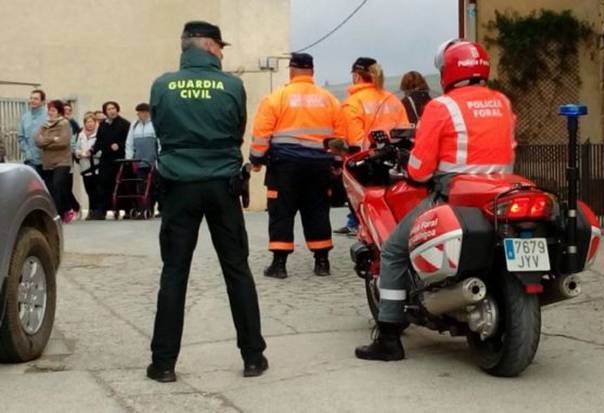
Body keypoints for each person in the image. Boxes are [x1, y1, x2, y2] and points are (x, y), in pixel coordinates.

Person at [354, 40, 517, 361]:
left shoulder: (443, 107)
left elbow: (419, 167)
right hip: (500, 192)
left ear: (448, 71)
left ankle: (388, 336)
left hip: (453, 193)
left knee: (393, 252)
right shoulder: (502, 101)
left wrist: (412, 170)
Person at [147, 21, 267, 383]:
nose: (222, 52)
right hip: (222, 184)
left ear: (187, 47)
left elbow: (160, 126)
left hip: (178, 184)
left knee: (174, 272)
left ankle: (164, 363)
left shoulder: (162, 85)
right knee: (237, 269)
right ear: (211, 47)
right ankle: (252, 357)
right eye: (221, 46)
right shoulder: (232, 85)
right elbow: (237, 129)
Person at [250, 53, 346, 279]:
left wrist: (256, 160)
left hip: (284, 166)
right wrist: (337, 163)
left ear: (291, 71)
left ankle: (279, 265)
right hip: (319, 166)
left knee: (281, 212)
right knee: (317, 211)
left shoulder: (276, 98)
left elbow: (261, 134)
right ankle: (322, 262)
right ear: (312, 72)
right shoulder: (329, 99)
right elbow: (340, 136)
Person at [333, 57, 409, 236]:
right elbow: (404, 133)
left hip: (367, 167)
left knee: (368, 217)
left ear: (357, 76)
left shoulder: (353, 103)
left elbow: (355, 142)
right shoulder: (392, 100)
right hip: (395, 165)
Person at [34, 100, 73, 222]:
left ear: (59, 111)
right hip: (47, 162)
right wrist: (52, 139)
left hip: (62, 160)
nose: (50, 113)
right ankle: (62, 210)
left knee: (58, 185)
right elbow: (37, 141)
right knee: (51, 188)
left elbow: (63, 142)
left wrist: (46, 142)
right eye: (49, 110)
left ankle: (61, 212)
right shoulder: (44, 125)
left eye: (53, 110)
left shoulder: (64, 123)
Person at [90, 101, 130, 219]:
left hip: (120, 160)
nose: (111, 111)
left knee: (122, 185)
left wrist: (119, 145)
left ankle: (127, 210)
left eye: (113, 108)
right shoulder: (103, 125)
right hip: (106, 159)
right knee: (103, 184)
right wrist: (91, 151)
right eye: (109, 109)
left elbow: (129, 141)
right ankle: (102, 210)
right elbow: (99, 141)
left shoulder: (125, 124)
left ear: (117, 109)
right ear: (105, 112)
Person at [125, 102, 158, 216]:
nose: (143, 114)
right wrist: (129, 159)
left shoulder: (154, 124)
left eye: (145, 112)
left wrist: (159, 157)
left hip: (152, 160)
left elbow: (159, 142)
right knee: (141, 185)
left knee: (153, 184)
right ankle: (143, 207)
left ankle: (152, 206)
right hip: (138, 161)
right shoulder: (134, 126)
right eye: (140, 112)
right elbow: (129, 143)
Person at [76, 112, 101, 219]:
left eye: (91, 122)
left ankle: (97, 211)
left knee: (97, 190)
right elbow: (76, 148)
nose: (89, 124)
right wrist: (80, 153)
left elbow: (101, 149)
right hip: (85, 166)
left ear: (95, 123)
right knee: (89, 190)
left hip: (96, 166)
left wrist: (92, 154)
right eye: (87, 122)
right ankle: (91, 210)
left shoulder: (99, 134)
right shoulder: (81, 135)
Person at [17, 89, 48, 174]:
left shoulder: (48, 116)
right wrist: (27, 151)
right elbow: (21, 137)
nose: (32, 101)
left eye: (36, 99)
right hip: (30, 160)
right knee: (32, 187)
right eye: (31, 98)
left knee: (48, 187)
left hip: (47, 160)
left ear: (42, 101)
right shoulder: (25, 117)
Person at [63, 101, 81, 220]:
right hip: (57, 156)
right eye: (65, 111)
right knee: (60, 185)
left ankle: (75, 207)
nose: (67, 113)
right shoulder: (56, 123)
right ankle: (68, 208)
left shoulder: (73, 124)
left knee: (67, 185)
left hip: (69, 157)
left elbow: (78, 133)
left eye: (69, 111)